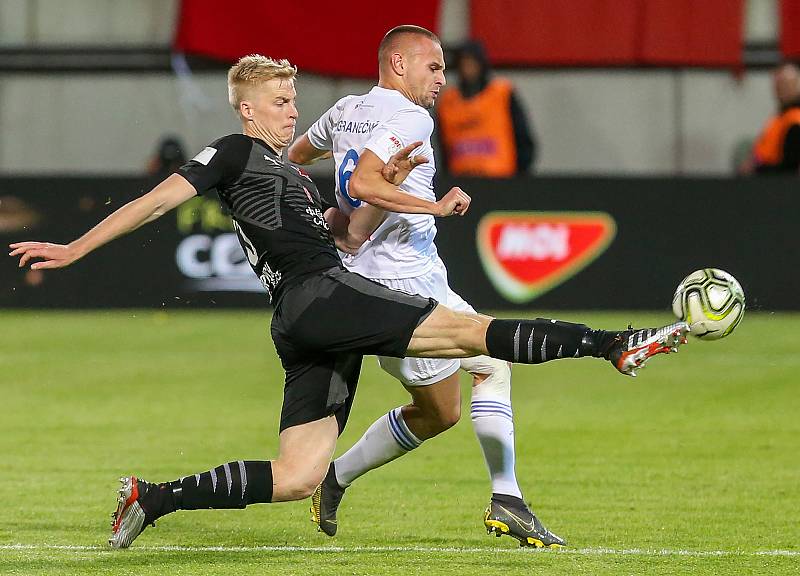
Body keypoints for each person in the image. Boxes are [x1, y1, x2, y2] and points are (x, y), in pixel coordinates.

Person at [9, 54, 688, 550]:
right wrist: (75, 249)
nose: (292, 111)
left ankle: (151, 499)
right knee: (471, 337)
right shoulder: (236, 151)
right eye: (279, 101)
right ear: (247, 108)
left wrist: (373, 192)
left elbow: (344, 234)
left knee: (299, 475)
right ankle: (611, 343)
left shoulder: (296, 181)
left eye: (294, 100)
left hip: (307, 319)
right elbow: (156, 202)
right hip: (320, 298)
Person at [288, 25, 556, 548]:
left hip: (397, 279)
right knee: (457, 394)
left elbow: (296, 154)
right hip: (401, 289)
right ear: (397, 64)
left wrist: (329, 213)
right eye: (432, 67)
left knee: (461, 394)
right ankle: (504, 499)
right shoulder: (409, 115)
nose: (441, 78)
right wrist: (430, 206)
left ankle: (343, 479)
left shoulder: (345, 109)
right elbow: (367, 182)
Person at [435, 40, 535, 177]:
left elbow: (522, 137)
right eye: (463, 63)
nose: (467, 68)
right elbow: (442, 147)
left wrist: (520, 178)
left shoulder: (502, 93)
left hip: (501, 179)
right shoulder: (447, 101)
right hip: (460, 181)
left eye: (472, 63)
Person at [739, 61, 800, 175]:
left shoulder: (795, 121)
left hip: (776, 185)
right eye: (777, 85)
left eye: (785, 85)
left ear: (795, 86)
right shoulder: (778, 117)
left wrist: (756, 169)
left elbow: (789, 169)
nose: (780, 90)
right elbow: (762, 152)